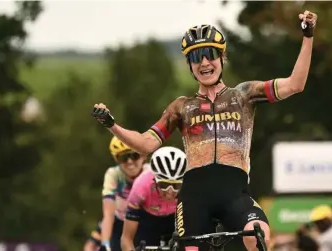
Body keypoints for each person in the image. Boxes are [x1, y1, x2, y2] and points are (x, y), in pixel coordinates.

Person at [91, 10, 318, 251]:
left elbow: (295, 84)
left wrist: (308, 36)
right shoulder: (182, 106)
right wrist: (112, 125)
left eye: (210, 55)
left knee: (258, 234)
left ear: (222, 58)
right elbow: (146, 144)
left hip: (234, 190)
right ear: (189, 65)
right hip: (194, 195)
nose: (204, 63)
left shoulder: (244, 94)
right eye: (196, 57)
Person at [86, 136, 149, 251]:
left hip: (145, 223)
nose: (130, 162)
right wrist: (105, 243)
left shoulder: (150, 172)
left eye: (134, 156)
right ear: (117, 160)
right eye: (124, 158)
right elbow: (108, 213)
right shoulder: (113, 175)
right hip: (120, 224)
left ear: (143, 157)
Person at [121, 146, 187, 251]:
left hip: (176, 218)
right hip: (148, 222)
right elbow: (127, 238)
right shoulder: (141, 186)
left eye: (176, 186)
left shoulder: (189, 186)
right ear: (155, 180)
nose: (170, 192)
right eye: (164, 184)